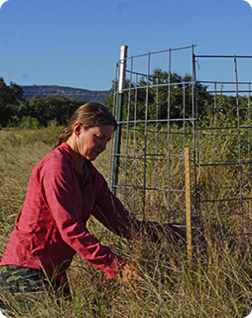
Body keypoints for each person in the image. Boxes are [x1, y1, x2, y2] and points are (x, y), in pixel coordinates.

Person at [0, 102, 182, 303]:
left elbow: (123, 225)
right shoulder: (56, 167)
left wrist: (175, 233)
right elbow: (70, 228)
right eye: (99, 137)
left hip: (54, 275)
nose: (103, 146)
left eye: (107, 140)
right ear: (78, 129)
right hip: (25, 271)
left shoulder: (92, 177)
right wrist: (116, 265)